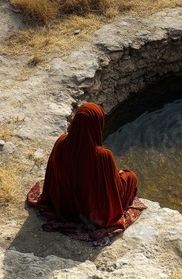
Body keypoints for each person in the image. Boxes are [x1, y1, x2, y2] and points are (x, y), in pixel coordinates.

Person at [27, 102, 146, 245]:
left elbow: (54, 174)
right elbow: (111, 188)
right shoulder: (102, 155)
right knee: (130, 176)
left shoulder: (61, 141)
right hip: (90, 210)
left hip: (65, 204)